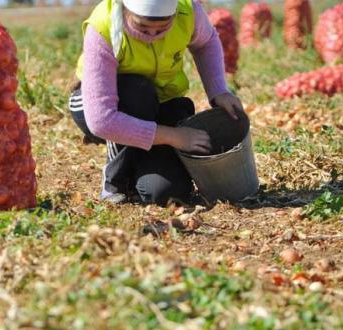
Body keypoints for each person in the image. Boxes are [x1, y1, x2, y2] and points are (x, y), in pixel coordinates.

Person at [69, 0, 245, 205]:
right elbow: (102, 121)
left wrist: (218, 91)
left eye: (162, 28)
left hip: (158, 103)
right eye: (142, 27)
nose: (152, 37)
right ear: (125, 9)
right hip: (99, 106)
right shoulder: (103, 26)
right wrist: (173, 136)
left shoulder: (187, 12)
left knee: (167, 193)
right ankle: (115, 181)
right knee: (138, 92)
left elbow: (206, 42)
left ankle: (139, 163)